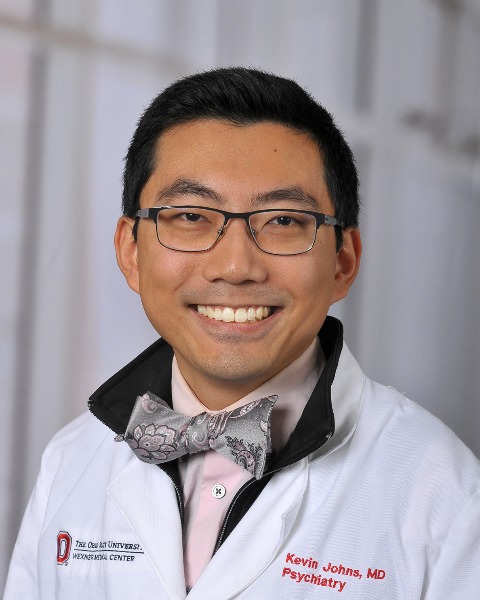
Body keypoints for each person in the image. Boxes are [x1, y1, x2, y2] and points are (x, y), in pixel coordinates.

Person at [4, 67, 480, 600]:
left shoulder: (446, 496)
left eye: (283, 221)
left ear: (343, 261)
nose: (235, 267)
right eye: (190, 216)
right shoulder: (71, 459)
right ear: (131, 251)